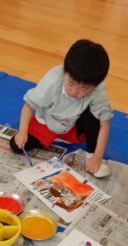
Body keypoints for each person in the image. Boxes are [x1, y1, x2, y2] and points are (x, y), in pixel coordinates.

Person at [11, 39, 114, 178]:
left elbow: (104, 124)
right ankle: (52, 138)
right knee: (17, 146)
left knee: (95, 114)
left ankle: (91, 154)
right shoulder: (53, 80)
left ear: (95, 85)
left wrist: (97, 157)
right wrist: (22, 131)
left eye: (84, 88)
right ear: (65, 71)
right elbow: (29, 105)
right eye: (70, 84)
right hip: (48, 122)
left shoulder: (97, 88)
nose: (75, 92)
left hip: (73, 125)